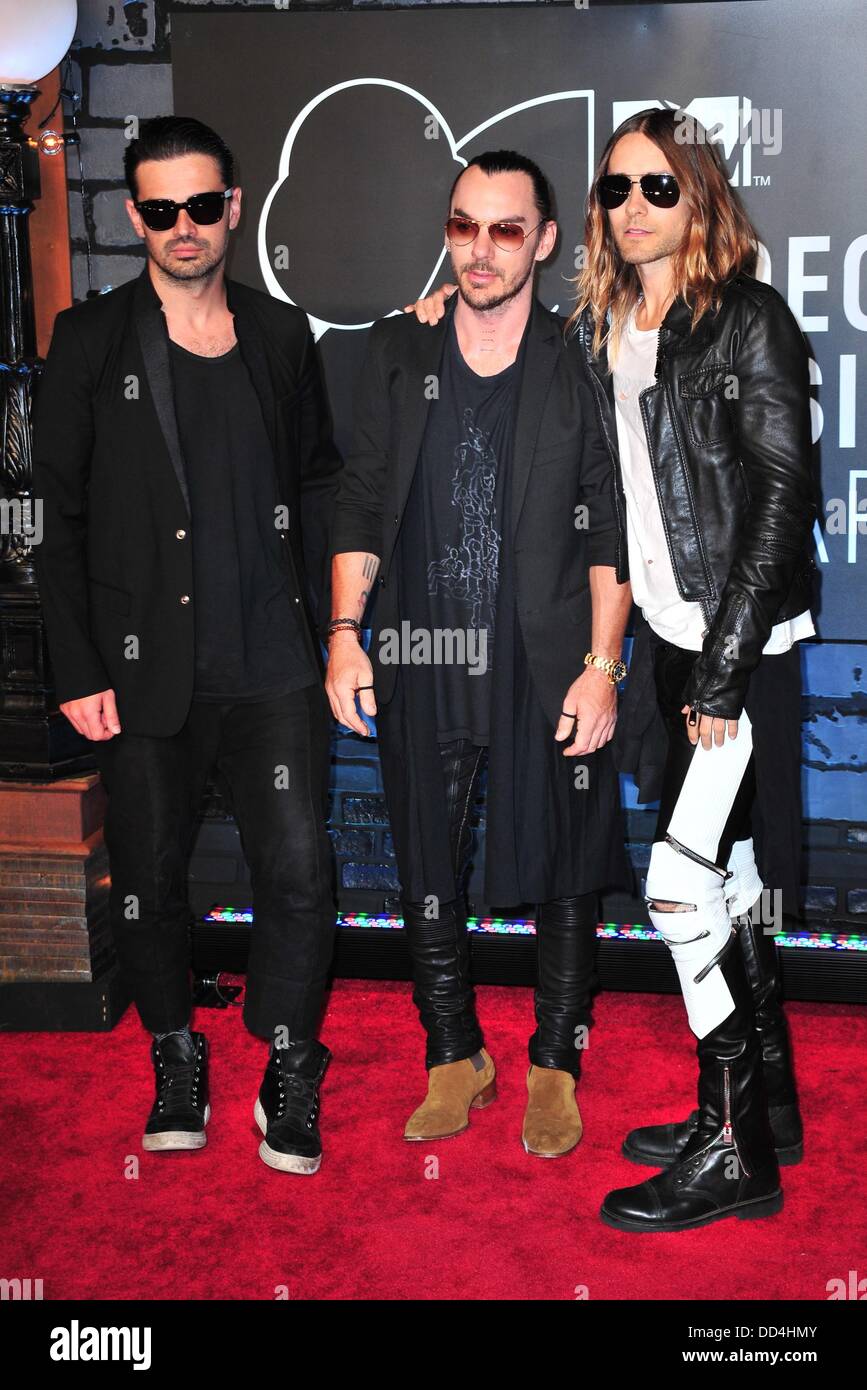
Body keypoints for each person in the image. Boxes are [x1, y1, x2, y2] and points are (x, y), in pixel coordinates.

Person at [410, 109, 815, 1230]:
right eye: (616, 189)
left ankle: (736, 1154)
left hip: (740, 652)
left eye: (659, 187)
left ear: (702, 199)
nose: (633, 207)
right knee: (725, 890)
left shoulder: (750, 320)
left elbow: (782, 503)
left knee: (679, 889)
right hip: (672, 652)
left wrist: (725, 677)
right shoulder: (609, 326)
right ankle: (752, 1108)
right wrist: (437, 319)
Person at [33, 116, 342, 1176]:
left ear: (234, 207)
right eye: (159, 211)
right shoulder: (89, 341)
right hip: (137, 669)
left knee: (302, 870)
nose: (181, 228)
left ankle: (290, 1062)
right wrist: (73, 668)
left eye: (201, 206)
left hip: (273, 663)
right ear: (133, 218)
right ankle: (175, 1053)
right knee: (149, 879)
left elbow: (319, 479)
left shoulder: (279, 335)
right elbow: (56, 517)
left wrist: (335, 629)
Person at [325, 150, 632, 1157]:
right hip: (424, 645)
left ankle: (555, 1061)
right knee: (424, 859)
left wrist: (603, 663)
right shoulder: (397, 351)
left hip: (544, 658)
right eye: (464, 226)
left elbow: (610, 529)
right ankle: (453, 1053)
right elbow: (360, 500)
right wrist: (343, 635)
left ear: (545, 240)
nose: (482, 249)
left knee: (566, 873)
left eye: (507, 229)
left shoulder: (578, 359)